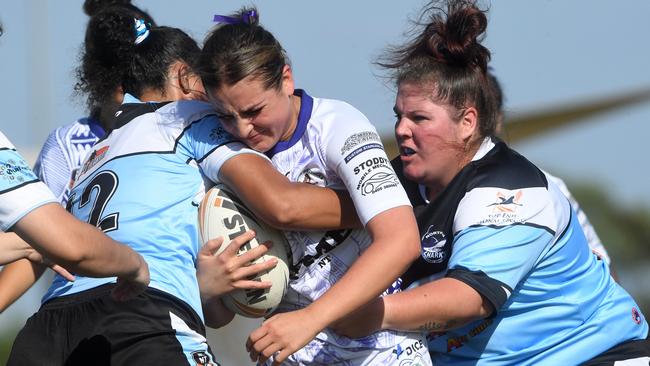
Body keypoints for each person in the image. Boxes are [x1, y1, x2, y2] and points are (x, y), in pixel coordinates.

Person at [7, 7, 358, 366]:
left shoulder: (95, 154)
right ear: (183, 75)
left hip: (48, 329)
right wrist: (377, 206)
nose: (220, 104)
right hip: (139, 316)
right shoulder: (190, 118)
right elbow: (283, 206)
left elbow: (213, 311)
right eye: (209, 87)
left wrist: (206, 287)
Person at [330, 0, 650, 364]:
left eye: (419, 118)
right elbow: (312, 214)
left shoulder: (514, 191)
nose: (401, 130)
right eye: (398, 116)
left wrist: (365, 313)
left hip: (591, 355)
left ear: (468, 123)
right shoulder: (396, 181)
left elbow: (467, 299)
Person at [198, 8, 429, 365]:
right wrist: (212, 289)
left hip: (382, 351)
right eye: (227, 116)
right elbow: (221, 316)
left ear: (286, 80)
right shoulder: (224, 158)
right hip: (294, 353)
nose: (243, 130)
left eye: (254, 111)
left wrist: (311, 318)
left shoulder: (338, 126)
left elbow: (402, 240)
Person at [0, 0, 158, 314]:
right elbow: (51, 242)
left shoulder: (184, 136)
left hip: (154, 306)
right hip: (80, 309)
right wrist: (135, 265)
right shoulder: (67, 145)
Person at [489, 71, 613, 265]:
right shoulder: (425, 190)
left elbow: (603, 269)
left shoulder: (547, 187)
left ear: (499, 119)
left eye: (484, 114)